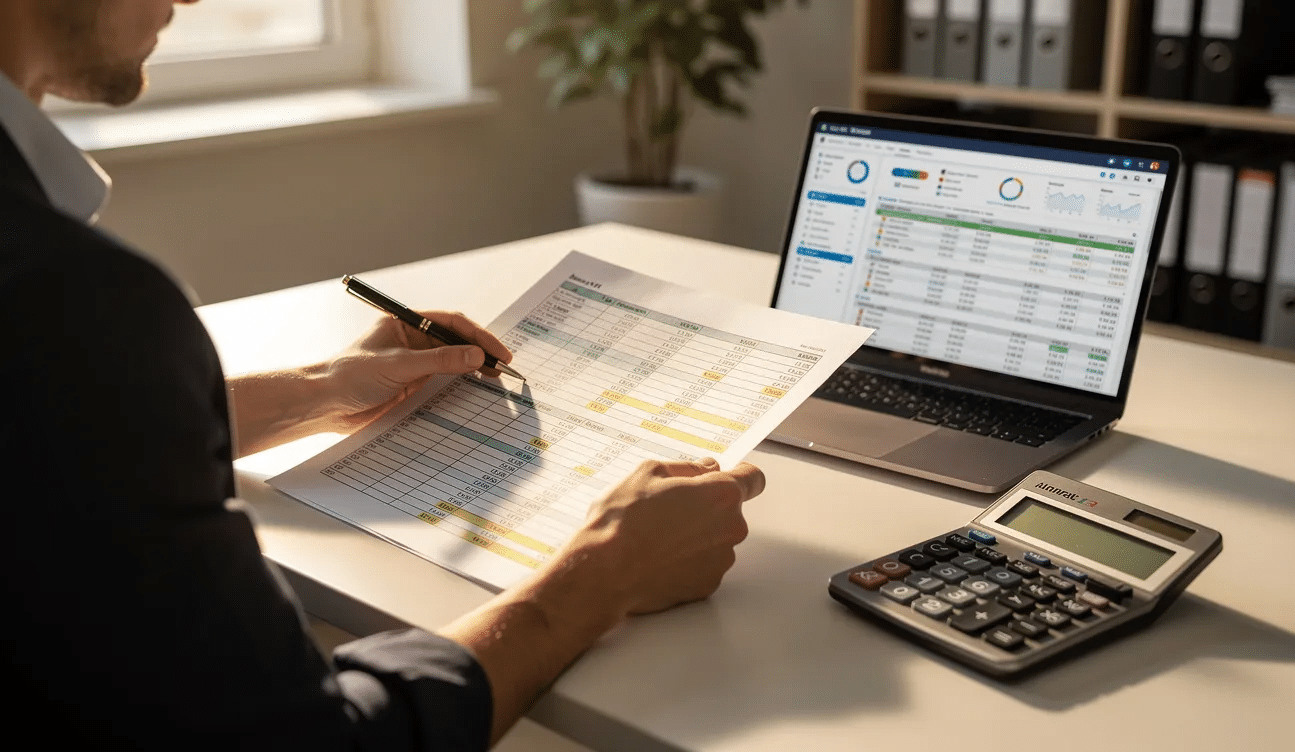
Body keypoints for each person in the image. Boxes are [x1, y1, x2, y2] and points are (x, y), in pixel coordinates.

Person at [0, 1, 765, 748]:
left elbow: (49, 433)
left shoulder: (60, 315)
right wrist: (601, 574)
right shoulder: (70, 300)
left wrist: (321, 389)